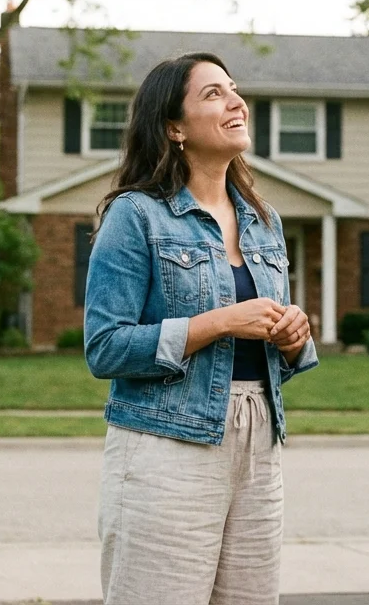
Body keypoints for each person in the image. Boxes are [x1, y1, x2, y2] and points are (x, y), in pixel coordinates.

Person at [85, 52, 318, 605]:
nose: (235, 102)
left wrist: (293, 337)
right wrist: (215, 323)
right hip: (167, 446)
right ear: (173, 127)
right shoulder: (136, 215)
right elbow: (104, 347)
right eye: (213, 94)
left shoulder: (265, 219)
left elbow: (276, 350)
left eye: (234, 90)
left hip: (259, 442)